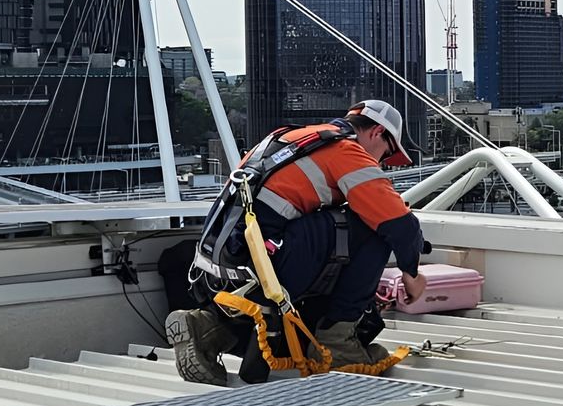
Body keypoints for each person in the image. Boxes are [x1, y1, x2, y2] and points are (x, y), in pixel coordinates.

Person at [166, 99, 428, 384]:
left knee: (333, 230)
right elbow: (399, 223)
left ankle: (205, 327)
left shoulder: (289, 137)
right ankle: (338, 345)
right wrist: (411, 274)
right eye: (386, 154)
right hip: (264, 269)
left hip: (219, 271)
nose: (381, 163)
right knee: (372, 229)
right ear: (377, 133)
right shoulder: (346, 149)